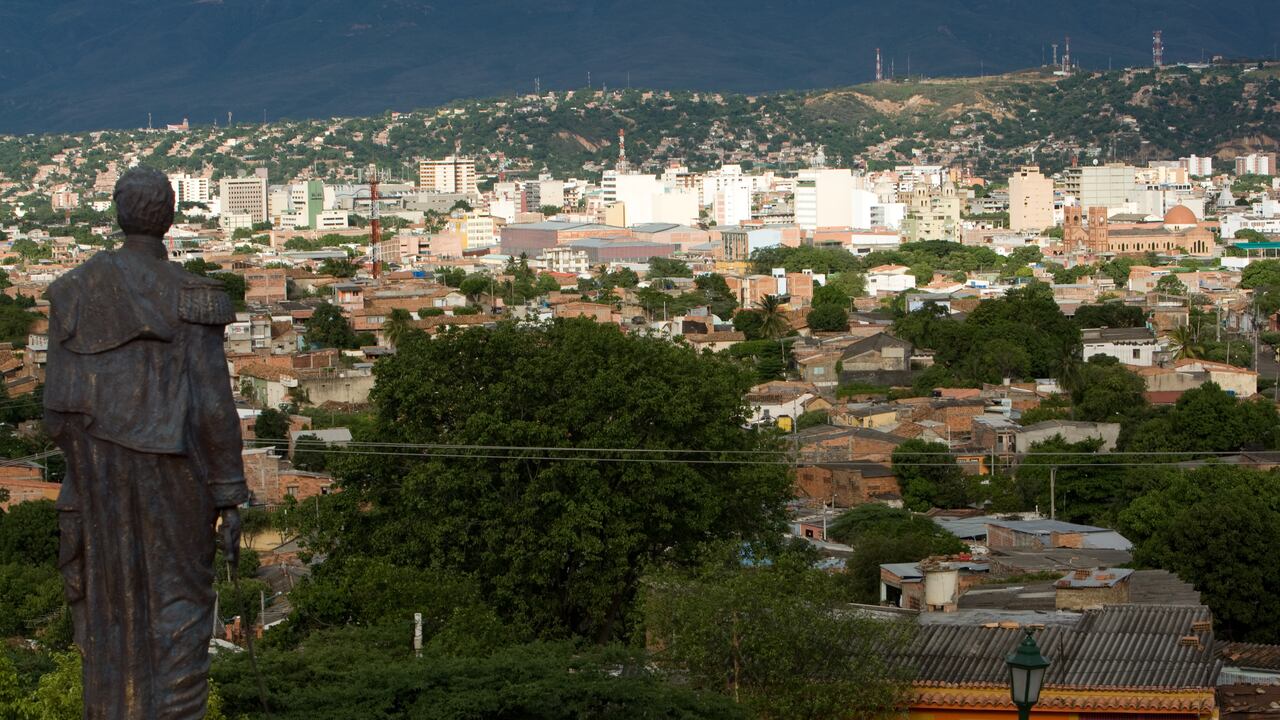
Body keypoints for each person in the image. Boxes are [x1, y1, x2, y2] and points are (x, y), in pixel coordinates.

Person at [44, 166, 246, 719]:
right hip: (174, 476)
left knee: (111, 612)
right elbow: (212, 402)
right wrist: (229, 491)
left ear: (117, 213)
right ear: (172, 216)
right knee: (177, 607)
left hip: (95, 477)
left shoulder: (73, 292)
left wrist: (91, 460)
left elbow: (56, 411)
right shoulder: (191, 295)